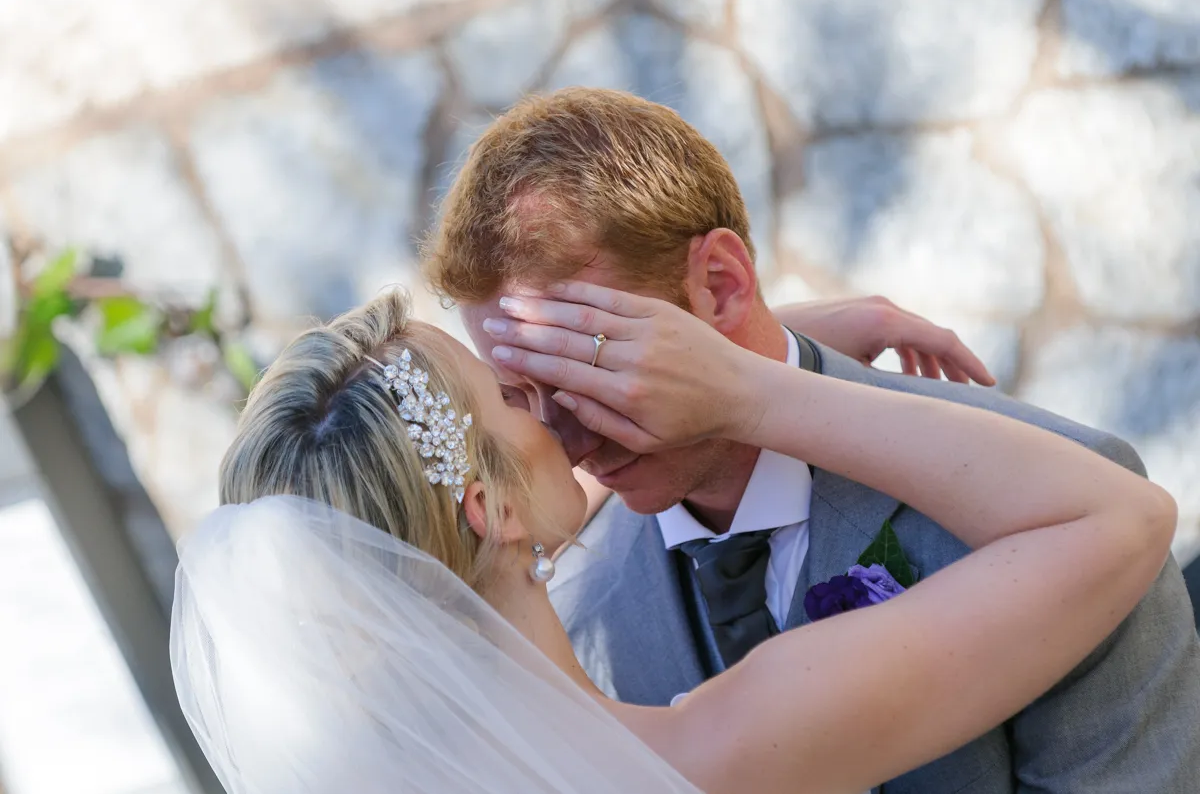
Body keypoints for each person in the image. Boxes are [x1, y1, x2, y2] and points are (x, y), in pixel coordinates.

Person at [424, 86, 1200, 792]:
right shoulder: (572, 612)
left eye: (594, 358)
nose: (565, 436)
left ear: (722, 285)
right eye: (523, 393)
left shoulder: (1054, 508)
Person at [173, 287, 1175, 794]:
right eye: (516, 395)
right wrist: (757, 384)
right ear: (494, 512)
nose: (562, 410)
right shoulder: (709, 752)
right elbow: (1115, 518)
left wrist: (775, 330)